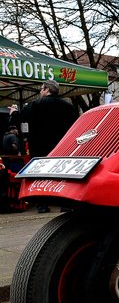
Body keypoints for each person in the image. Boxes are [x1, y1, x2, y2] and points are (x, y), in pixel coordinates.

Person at [9, 80, 79, 213]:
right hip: (62, 146)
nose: (40, 92)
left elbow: (19, 118)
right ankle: (65, 204)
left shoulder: (36, 104)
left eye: (41, 89)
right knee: (61, 174)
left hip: (39, 147)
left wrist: (13, 112)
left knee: (40, 175)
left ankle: (42, 205)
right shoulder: (68, 106)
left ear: (47, 90)